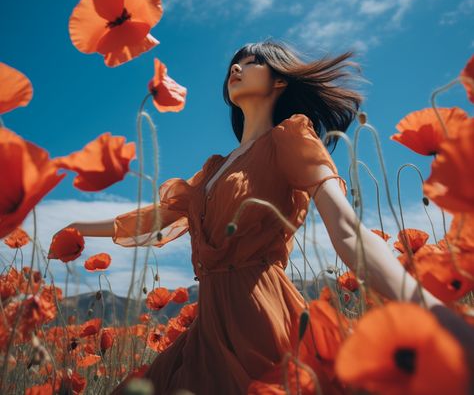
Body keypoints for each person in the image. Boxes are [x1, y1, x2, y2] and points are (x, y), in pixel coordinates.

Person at [60, 39, 474, 394]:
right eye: (232, 65)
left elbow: (348, 231)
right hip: (207, 330)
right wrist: (76, 227)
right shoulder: (212, 169)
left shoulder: (289, 138)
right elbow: (153, 217)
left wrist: (429, 308)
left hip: (260, 319)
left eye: (251, 61)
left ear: (279, 80)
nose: (236, 67)